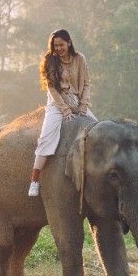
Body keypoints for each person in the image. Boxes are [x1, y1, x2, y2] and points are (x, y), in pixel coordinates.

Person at [28, 29, 97, 196]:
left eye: (61, 44)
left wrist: (83, 105)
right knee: (46, 139)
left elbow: (87, 83)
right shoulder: (49, 60)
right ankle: (34, 181)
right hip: (56, 105)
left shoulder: (80, 59)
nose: (58, 48)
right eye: (55, 45)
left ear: (69, 43)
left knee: (98, 131)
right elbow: (51, 89)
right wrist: (65, 110)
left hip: (78, 102)